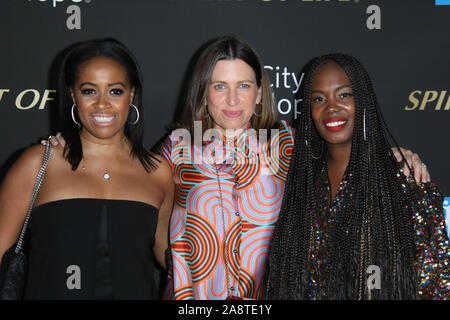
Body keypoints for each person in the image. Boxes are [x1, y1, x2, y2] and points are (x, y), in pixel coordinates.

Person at [44, 36, 430, 300]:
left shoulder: (289, 145)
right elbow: (118, 175)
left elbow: (344, 154)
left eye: (243, 85)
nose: (232, 99)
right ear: (203, 91)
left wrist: (395, 154)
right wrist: (64, 145)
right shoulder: (177, 149)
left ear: (260, 91)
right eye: (219, 86)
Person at [263, 53, 449, 300]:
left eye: (344, 95)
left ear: (363, 99)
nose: (331, 107)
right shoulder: (300, 183)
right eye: (318, 98)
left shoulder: (406, 182)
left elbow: (436, 287)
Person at [0, 38, 174, 299]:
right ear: (73, 95)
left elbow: (173, 259)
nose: (102, 104)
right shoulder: (39, 163)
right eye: (89, 91)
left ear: (132, 94)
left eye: (115, 91)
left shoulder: (158, 170)